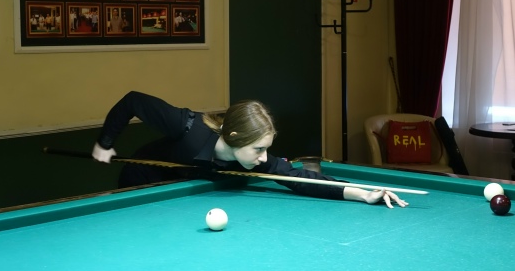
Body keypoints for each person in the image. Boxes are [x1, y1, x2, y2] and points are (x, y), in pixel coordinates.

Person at [92, 91, 409, 209]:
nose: (263, 157)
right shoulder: (186, 126)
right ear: (232, 137)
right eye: (258, 149)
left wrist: (362, 193)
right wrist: (105, 144)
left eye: (266, 149)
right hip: (143, 180)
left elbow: (302, 179)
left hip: (181, 189)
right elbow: (133, 101)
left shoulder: (255, 160)